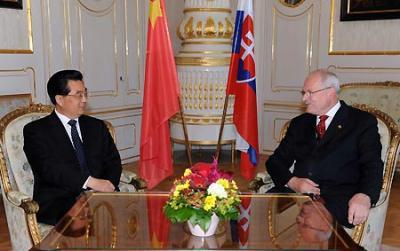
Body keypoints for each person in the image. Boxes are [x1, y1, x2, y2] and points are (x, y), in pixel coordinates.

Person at [266, 69, 383, 228]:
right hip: (296, 195)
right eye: (303, 92)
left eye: (309, 92)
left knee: (314, 225)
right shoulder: (300, 123)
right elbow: (275, 162)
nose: (304, 98)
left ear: (330, 92)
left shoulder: (361, 122)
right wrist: (293, 182)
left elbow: (373, 166)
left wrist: (365, 196)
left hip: (336, 199)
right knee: (259, 212)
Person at [23, 70, 122, 225]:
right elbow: (49, 169)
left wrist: (107, 185)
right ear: (60, 99)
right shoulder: (36, 131)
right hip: (60, 200)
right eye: (78, 95)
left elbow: (113, 161)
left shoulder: (96, 126)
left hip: (101, 194)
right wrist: (90, 182)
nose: (84, 100)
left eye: (85, 93)